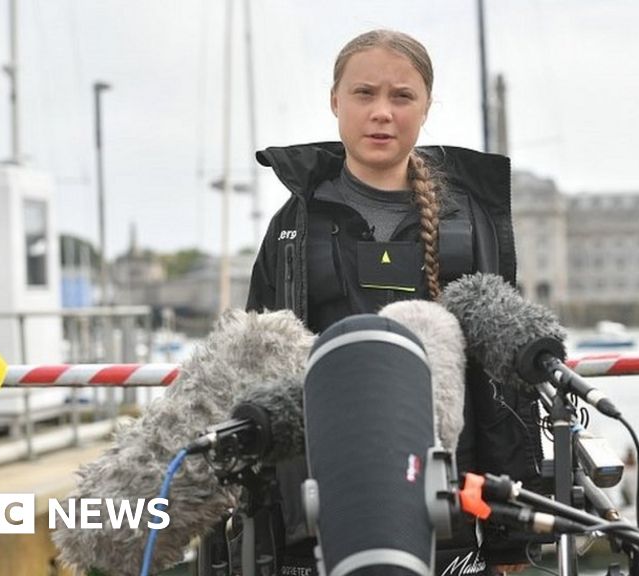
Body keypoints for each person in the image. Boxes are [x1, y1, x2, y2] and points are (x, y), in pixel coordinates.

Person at [244, 29, 544, 576]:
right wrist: (267, 523)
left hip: (448, 507)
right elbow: (259, 371)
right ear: (335, 101)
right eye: (364, 94)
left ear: (426, 108)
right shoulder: (292, 227)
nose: (382, 112)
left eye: (402, 96)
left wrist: (510, 531)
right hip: (322, 507)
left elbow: (499, 383)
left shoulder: (470, 223)